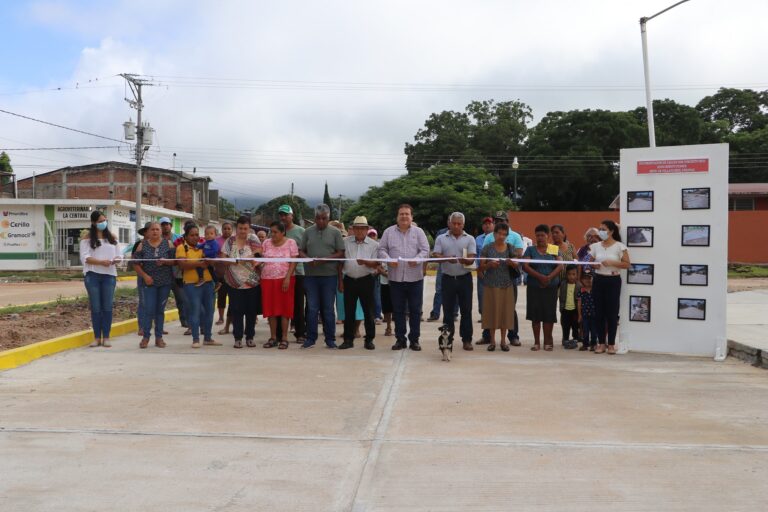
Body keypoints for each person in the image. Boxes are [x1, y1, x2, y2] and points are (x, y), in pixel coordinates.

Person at [378, 204, 430, 351]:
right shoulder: (388, 232)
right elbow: (381, 249)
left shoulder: (419, 232)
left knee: (415, 310)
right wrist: (388, 260)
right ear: (397, 216)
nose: (404, 216)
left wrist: (418, 259)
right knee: (398, 310)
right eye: (401, 214)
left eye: (407, 214)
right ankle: (400, 339)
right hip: (395, 279)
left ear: (411, 217)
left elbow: (425, 250)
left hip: (415, 278)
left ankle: (414, 340)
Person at [299, 204, 345, 349]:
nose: (321, 221)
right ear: (314, 218)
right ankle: (311, 338)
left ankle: (330, 339)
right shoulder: (307, 232)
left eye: (324, 218)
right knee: (312, 308)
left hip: (329, 276)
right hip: (311, 276)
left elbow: (341, 253)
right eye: (318, 218)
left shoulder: (336, 232)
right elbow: (300, 251)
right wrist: (308, 259)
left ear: (328, 218)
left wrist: (325, 259)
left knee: (328, 309)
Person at [432, 212, 476, 351]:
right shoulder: (441, 238)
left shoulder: (470, 239)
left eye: (459, 224)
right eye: (454, 223)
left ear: (463, 224)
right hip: (448, 279)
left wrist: (466, 260)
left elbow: (472, 258)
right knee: (448, 311)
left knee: (466, 310)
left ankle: (467, 339)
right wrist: (445, 258)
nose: (456, 226)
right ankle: (447, 340)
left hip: (465, 278)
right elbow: (436, 255)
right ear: (449, 223)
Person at [480, 211, 524, 346]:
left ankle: (511, 337)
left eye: (502, 220)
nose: (501, 235)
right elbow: (481, 264)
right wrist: (488, 266)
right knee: (490, 310)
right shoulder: (488, 241)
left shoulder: (515, 238)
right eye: (497, 221)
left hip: (508, 281)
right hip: (491, 282)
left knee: (508, 310)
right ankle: (489, 339)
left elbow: (518, 258)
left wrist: (513, 262)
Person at [219, 215, 263, 348]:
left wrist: (251, 257)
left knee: (251, 311)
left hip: (252, 282)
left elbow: (259, 251)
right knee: (236, 310)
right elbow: (223, 256)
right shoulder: (230, 241)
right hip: (234, 282)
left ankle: (250, 337)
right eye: (240, 228)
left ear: (249, 228)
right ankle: (237, 338)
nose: (243, 231)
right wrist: (235, 260)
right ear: (236, 228)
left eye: (245, 228)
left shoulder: (253, 239)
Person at [589, 220, 630, 355]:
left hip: (613, 280)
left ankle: (611, 344)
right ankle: (601, 343)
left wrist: (613, 262)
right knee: (598, 313)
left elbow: (627, 264)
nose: (601, 231)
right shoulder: (595, 246)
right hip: (598, 280)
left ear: (611, 231)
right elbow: (589, 263)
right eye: (599, 229)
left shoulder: (620, 246)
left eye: (604, 229)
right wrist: (594, 265)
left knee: (612, 314)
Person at [80, 210, 121, 348]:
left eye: (104, 220)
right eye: (100, 221)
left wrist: (116, 260)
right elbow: (85, 258)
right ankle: (97, 337)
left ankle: (107, 337)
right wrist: (100, 262)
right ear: (93, 223)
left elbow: (119, 256)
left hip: (109, 276)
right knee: (96, 307)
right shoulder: (86, 239)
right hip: (93, 275)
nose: (103, 223)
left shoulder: (112, 237)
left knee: (107, 306)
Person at [338, 216, 380, 350]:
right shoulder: (345, 242)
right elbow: (340, 262)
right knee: (348, 311)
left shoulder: (374, 245)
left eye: (363, 228)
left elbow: (376, 264)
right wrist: (340, 281)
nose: (360, 231)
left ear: (367, 229)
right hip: (349, 279)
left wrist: (365, 262)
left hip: (366, 280)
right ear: (353, 229)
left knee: (369, 312)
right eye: (357, 228)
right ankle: (348, 339)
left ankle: (369, 340)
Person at [133, 222, 175, 349]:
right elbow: (135, 264)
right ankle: (146, 337)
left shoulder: (168, 244)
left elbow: (175, 261)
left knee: (160, 311)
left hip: (165, 282)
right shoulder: (142, 245)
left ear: (161, 231)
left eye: (157, 229)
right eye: (152, 230)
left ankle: (159, 337)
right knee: (148, 309)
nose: (155, 232)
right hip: (149, 282)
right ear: (148, 232)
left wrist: (166, 262)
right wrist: (145, 276)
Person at [176, 224, 219, 349]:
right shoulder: (181, 248)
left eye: (197, 235)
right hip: (191, 284)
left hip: (208, 282)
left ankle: (208, 338)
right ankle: (195, 339)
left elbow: (212, 260)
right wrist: (199, 264)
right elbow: (182, 264)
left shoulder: (204, 247)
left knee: (210, 312)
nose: (195, 237)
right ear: (186, 236)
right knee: (195, 311)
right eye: (192, 235)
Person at [522, 224, 563, 352]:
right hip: (534, 286)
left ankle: (547, 341)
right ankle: (536, 342)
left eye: (543, 235)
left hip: (550, 286)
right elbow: (525, 266)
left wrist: (548, 278)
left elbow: (560, 265)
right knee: (535, 314)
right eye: (538, 235)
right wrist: (540, 277)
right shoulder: (530, 250)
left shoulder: (553, 248)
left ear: (548, 236)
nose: (540, 238)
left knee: (548, 314)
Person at [260, 221, 299, 350]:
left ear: (283, 232)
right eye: (271, 232)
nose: (273, 234)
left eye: (276, 232)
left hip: (284, 280)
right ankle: (272, 337)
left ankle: (284, 338)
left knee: (284, 309)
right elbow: (261, 258)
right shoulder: (266, 243)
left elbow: (293, 262)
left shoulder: (291, 243)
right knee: (270, 309)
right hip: (267, 280)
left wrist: (287, 278)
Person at [277, 204, 307, 344]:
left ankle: (300, 333)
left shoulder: (301, 231)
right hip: (279, 273)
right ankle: (278, 334)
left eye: (285, 214)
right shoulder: (276, 231)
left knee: (298, 304)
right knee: (281, 305)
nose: (283, 217)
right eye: (281, 215)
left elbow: (306, 250)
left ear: (292, 216)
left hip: (298, 272)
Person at [160, 217, 188, 332]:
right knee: (162, 301)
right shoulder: (158, 239)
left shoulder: (178, 238)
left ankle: (184, 321)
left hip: (177, 274)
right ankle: (159, 325)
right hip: (162, 275)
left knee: (181, 299)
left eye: (167, 224)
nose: (165, 226)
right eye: (163, 224)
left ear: (171, 226)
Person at [427, 224, 449, 322]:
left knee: (455, 292)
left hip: (455, 266)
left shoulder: (462, 235)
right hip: (442, 266)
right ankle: (435, 313)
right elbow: (436, 251)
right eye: (450, 220)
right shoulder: (441, 233)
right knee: (439, 290)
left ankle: (454, 313)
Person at [216, 222, 234, 331]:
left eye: (229, 228)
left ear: (232, 230)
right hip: (220, 274)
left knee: (233, 299)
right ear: (222, 230)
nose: (226, 230)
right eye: (225, 228)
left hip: (232, 276)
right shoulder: (217, 241)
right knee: (221, 297)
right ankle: (221, 318)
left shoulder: (235, 241)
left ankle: (231, 318)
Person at [475, 216, 494, 316]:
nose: (487, 225)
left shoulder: (497, 237)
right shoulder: (478, 239)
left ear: (493, 225)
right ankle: (483, 315)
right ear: (482, 226)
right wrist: (479, 270)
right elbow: (475, 255)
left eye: (489, 223)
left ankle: (492, 315)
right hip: (481, 270)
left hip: (494, 270)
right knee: (481, 294)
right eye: (485, 224)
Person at [558, 264, 580, 349]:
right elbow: (559, 296)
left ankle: (575, 339)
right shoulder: (563, 284)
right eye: (569, 274)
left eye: (574, 274)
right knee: (565, 325)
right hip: (565, 309)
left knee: (575, 326)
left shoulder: (579, 285)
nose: (571, 276)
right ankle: (566, 339)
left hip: (575, 310)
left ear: (577, 275)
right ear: (566, 275)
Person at [577, 273, 597, 351]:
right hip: (584, 315)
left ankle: (593, 344)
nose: (587, 280)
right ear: (582, 280)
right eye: (585, 278)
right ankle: (585, 344)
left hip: (594, 314)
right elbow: (579, 304)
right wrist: (579, 315)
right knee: (585, 330)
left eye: (589, 278)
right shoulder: (581, 291)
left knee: (594, 330)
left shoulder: (595, 290)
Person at [368, 228, 383, 323]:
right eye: (370, 235)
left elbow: (381, 261)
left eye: (374, 235)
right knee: (368, 297)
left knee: (376, 296)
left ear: (376, 236)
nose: (372, 237)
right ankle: (369, 315)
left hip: (375, 275)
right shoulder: (365, 246)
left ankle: (377, 316)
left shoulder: (379, 246)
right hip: (365, 274)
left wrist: (377, 270)